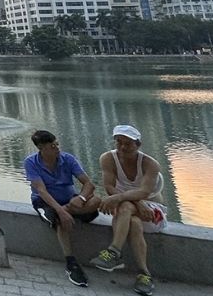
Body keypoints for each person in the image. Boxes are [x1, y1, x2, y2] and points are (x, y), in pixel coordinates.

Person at [89, 125, 167, 296]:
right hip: (130, 214)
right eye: (119, 142)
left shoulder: (150, 164)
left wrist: (122, 199)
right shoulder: (108, 158)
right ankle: (144, 274)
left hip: (152, 212)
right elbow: (109, 186)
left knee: (124, 207)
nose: (123, 147)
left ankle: (114, 252)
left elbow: (144, 192)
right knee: (133, 221)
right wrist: (135, 202)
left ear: (138, 145)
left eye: (128, 143)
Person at [24, 129, 100, 288]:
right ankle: (71, 263)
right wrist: (60, 211)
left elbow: (89, 184)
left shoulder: (68, 159)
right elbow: (41, 191)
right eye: (52, 146)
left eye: (57, 144)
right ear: (41, 148)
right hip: (44, 203)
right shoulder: (31, 162)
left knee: (96, 201)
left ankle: (64, 212)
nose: (57, 148)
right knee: (59, 220)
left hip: (70, 201)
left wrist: (81, 198)